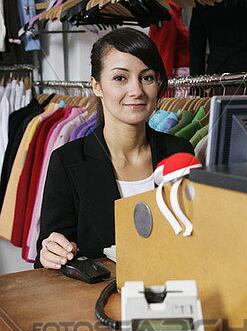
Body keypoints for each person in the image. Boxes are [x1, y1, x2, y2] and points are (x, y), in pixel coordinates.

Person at [35, 28, 194, 269]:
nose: (136, 91)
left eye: (147, 77)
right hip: (98, 302)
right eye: (120, 78)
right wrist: (50, 253)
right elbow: (48, 254)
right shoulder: (67, 162)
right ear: (96, 86)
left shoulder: (180, 152)